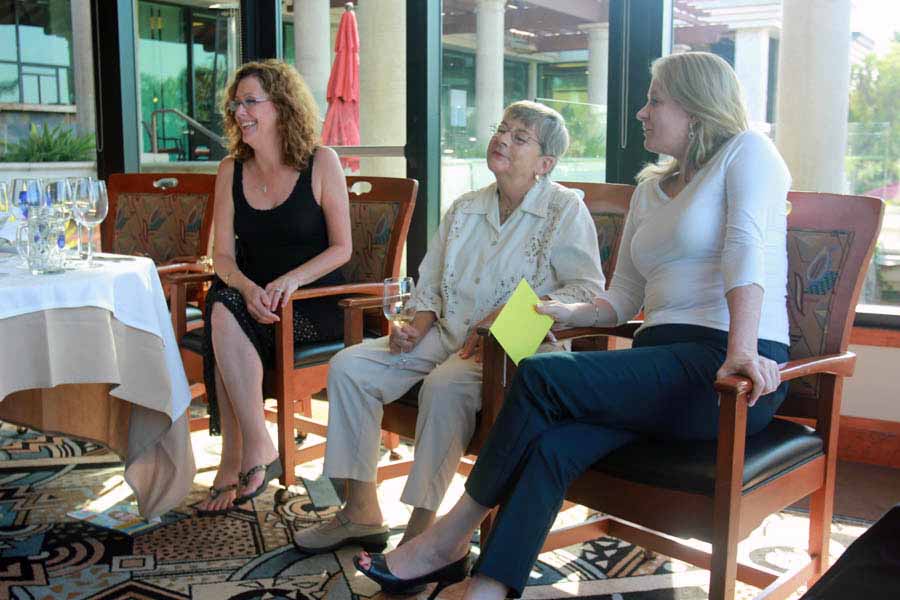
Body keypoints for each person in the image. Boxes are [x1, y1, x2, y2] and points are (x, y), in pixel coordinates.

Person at [353, 51, 792, 600]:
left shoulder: (748, 152)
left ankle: (449, 536)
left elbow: (747, 248)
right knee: (552, 446)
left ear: (697, 106)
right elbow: (622, 299)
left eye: (654, 100)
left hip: (727, 372)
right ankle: (488, 587)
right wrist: (557, 312)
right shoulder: (651, 189)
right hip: (654, 366)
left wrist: (741, 350)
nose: (641, 112)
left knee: (538, 376)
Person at [292, 101, 605, 553]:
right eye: (502, 129)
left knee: (443, 386)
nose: (502, 139)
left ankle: (422, 530)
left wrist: (512, 318)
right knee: (350, 366)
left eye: (520, 137)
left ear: (544, 164)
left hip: (510, 351)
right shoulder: (465, 207)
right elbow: (432, 282)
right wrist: (414, 326)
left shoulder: (564, 211)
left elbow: (584, 291)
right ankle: (360, 512)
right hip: (445, 333)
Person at [196, 60, 352, 515]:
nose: (240, 111)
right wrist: (248, 288)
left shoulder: (322, 162)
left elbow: (342, 248)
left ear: (281, 107)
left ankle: (235, 461)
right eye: (235, 103)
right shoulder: (231, 169)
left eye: (250, 102)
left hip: (310, 304)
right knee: (223, 304)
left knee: (222, 320)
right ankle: (258, 446)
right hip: (251, 300)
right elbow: (221, 256)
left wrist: (289, 281)